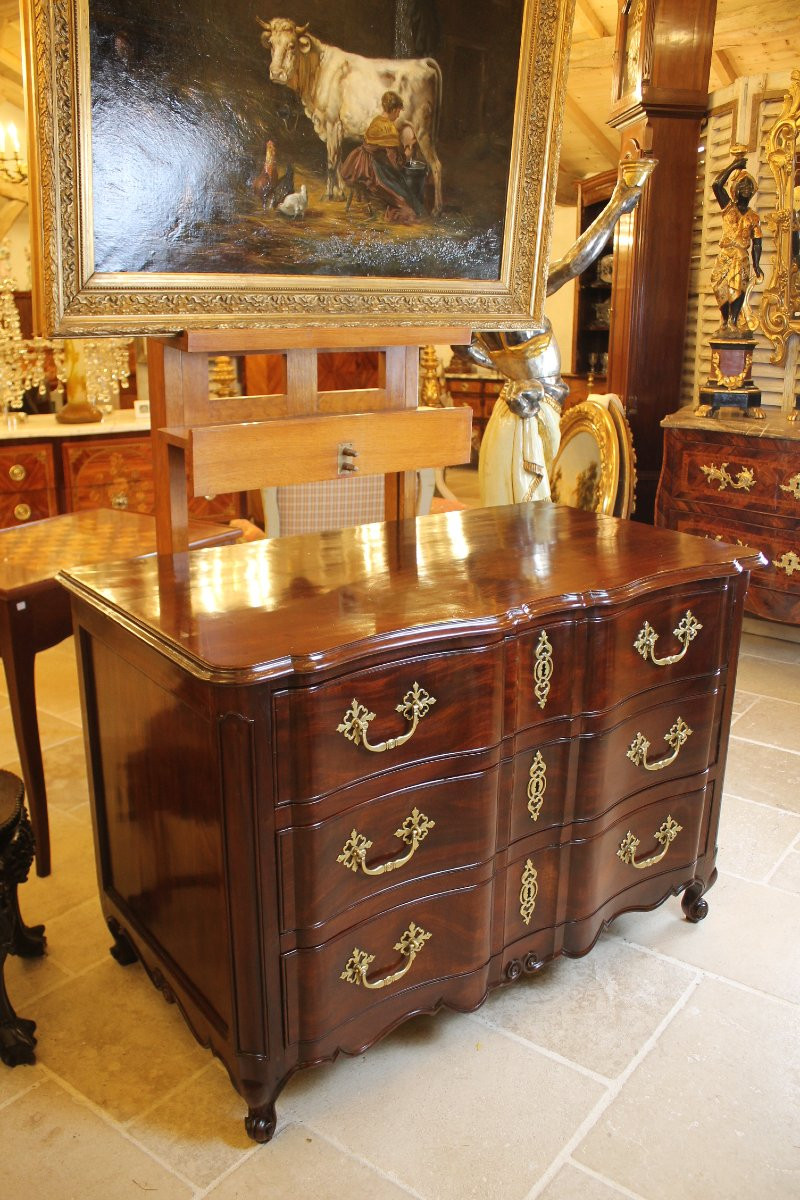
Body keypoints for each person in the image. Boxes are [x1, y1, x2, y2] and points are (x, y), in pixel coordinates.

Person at [341, 90, 427, 224]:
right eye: (398, 111)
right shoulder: (389, 129)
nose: (398, 115)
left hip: (359, 165)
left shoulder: (377, 121)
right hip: (375, 173)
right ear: (393, 110)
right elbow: (395, 165)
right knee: (405, 201)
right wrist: (407, 153)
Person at [710, 157, 763, 337]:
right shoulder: (728, 207)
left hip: (740, 256)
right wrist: (734, 166)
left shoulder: (753, 217)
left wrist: (756, 265)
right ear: (735, 190)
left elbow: (757, 242)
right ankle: (725, 321)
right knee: (719, 287)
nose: (746, 190)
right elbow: (717, 184)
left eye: (749, 187)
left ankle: (732, 321)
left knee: (737, 286)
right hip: (725, 254)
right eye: (742, 186)